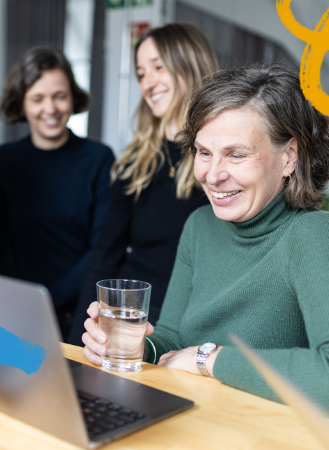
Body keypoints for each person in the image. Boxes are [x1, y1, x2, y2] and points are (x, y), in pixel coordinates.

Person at [81, 63, 329, 423]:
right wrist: (139, 347)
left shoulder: (314, 235)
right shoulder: (199, 226)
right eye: (204, 152)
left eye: (236, 154)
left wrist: (209, 359)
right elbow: (171, 339)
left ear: (288, 157)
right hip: (189, 428)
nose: (212, 175)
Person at [67, 23, 218, 345]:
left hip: (191, 331)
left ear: (190, 65)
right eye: (140, 74)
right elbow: (105, 255)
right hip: (131, 323)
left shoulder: (220, 162)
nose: (147, 83)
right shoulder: (137, 160)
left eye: (158, 67)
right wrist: (76, 342)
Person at [0, 47, 115, 340]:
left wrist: (48, 297)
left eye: (59, 96)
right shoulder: (4, 161)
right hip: (18, 308)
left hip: (80, 309)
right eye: (37, 98)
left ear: (73, 97)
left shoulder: (99, 159)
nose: (51, 108)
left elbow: (101, 248)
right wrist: (13, 297)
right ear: (21, 103)